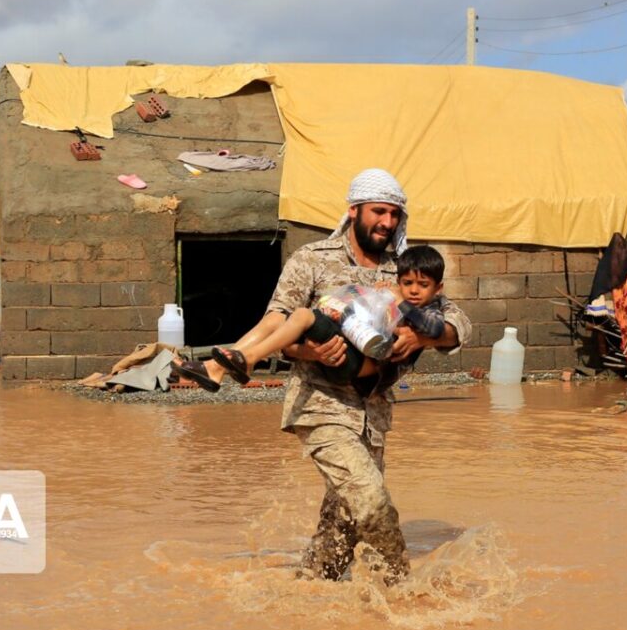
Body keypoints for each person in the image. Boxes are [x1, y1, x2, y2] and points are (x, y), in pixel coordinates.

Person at [255, 169, 470, 584]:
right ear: (354, 211)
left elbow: (457, 321)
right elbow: (278, 324)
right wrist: (310, 349)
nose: (386, 223)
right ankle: (401, 593)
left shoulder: (404, 268)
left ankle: (309, 596)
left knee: (344, 524)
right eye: (378, 212)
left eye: (394, 214)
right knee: (372, 502)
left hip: (373, 415)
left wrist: (422, 339)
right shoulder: (312, 259)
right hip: (321, 403)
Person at [178, 244, 450, 388]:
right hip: (345, 348)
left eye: (422, 286)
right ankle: (219, 368)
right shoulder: (314, 255)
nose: (414, 290)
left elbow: (436, 329)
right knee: (280, 317)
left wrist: (400, 301)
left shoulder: (430, 308)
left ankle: (244, 361)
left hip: (362, 366)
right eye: (407, 284)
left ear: (437, 288)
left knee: (302, 316)